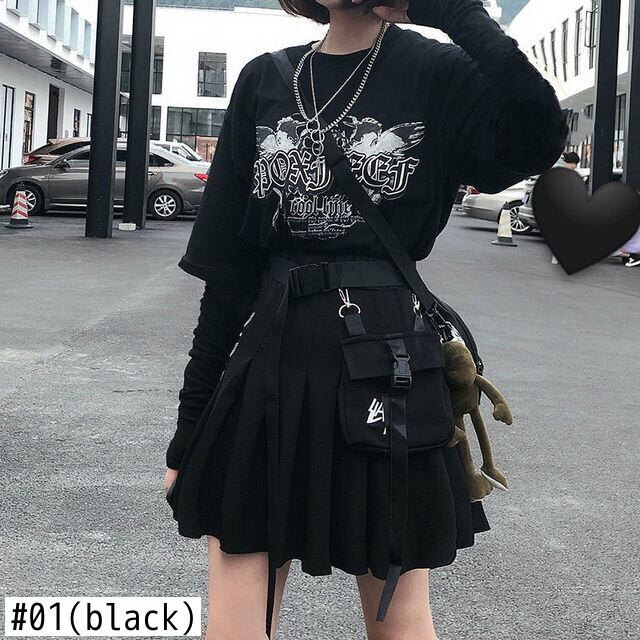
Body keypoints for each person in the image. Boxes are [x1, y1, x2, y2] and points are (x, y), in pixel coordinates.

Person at [163, 1, 568, 638]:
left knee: (397, 616)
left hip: (387, 371)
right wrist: (190, 427)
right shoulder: (264, 78)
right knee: (236, 601)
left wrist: (450, 10)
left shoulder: (437, 71)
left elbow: (540, 135)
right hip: (269, 360)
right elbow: (229, 274)